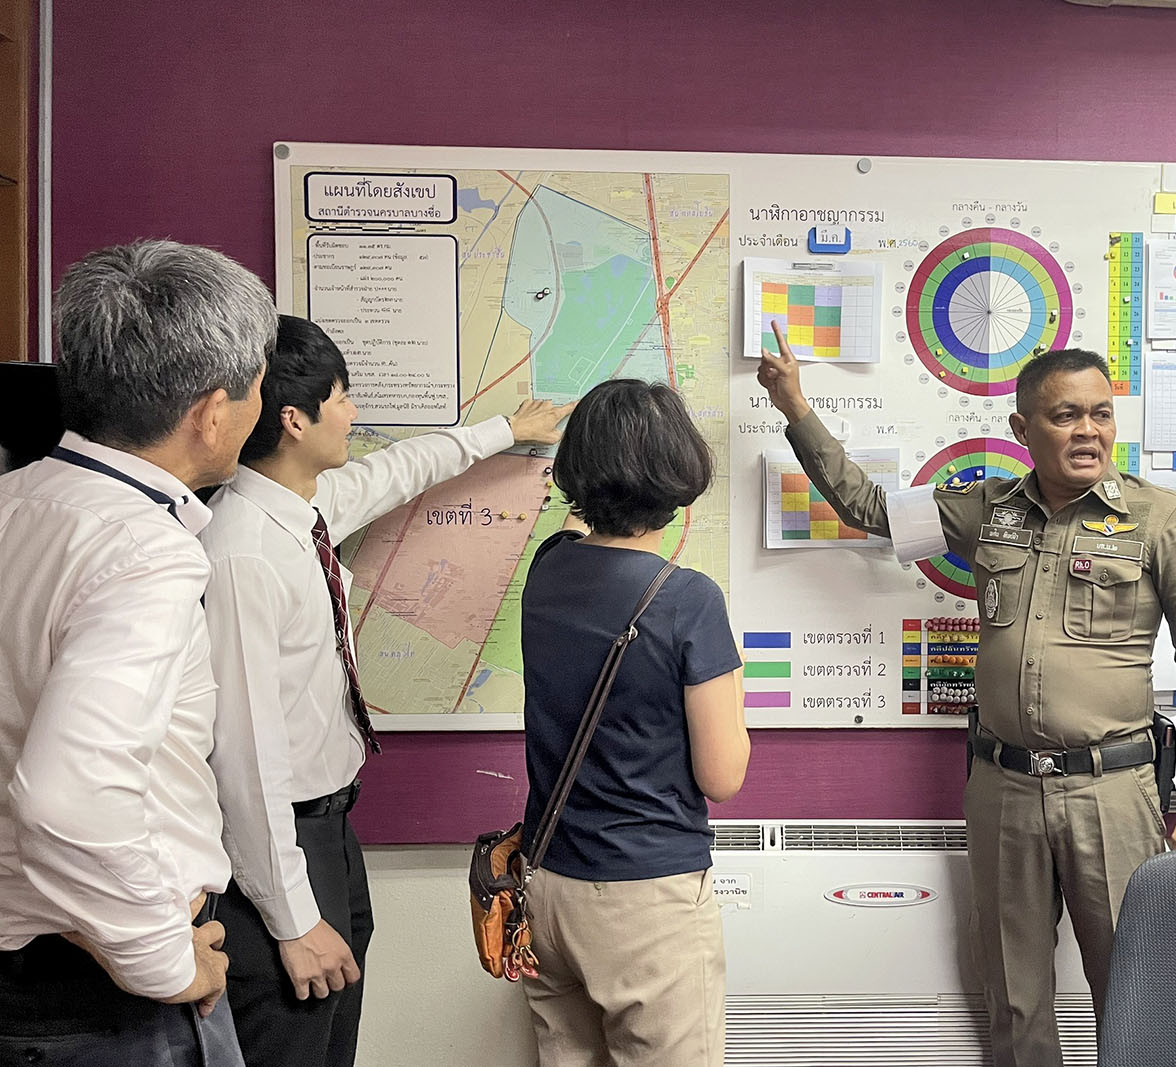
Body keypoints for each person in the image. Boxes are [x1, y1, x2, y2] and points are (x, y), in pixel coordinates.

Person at [757, 324, 1176, 1065]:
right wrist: (795, 408)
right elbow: (868, 509)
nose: (1088, 430)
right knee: (1014, 997)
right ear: (1022, 427)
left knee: (1135, 992)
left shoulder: (1162, 520)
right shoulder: (986, 510)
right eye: (1065, 414)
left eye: (1101, 413)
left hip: (1113, 790)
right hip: (1003, 786)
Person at [199, 315, 575, 1067]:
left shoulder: (301, 510)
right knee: (292, 1039)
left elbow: (401, 467)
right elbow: (240, 758)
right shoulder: (243, 549)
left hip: (330, 832)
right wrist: (292, 919)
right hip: (276, 850)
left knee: (334, 1039)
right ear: (294, 418)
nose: (354, 413)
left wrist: (506, 428)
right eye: (343, 397)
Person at [0, 240, 276, 1065]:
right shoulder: (145, 550)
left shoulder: (15, 504)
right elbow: (66, 794)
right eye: (257, 386)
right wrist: (161, 958)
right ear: (210, 413)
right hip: (105, 1004)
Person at [518, 379, 748, 1067]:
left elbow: (574, 529)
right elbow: (723, 774)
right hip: (644, 900)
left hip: (547, 884)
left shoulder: (548, 569)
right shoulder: (689, 600)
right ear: (680, 480)